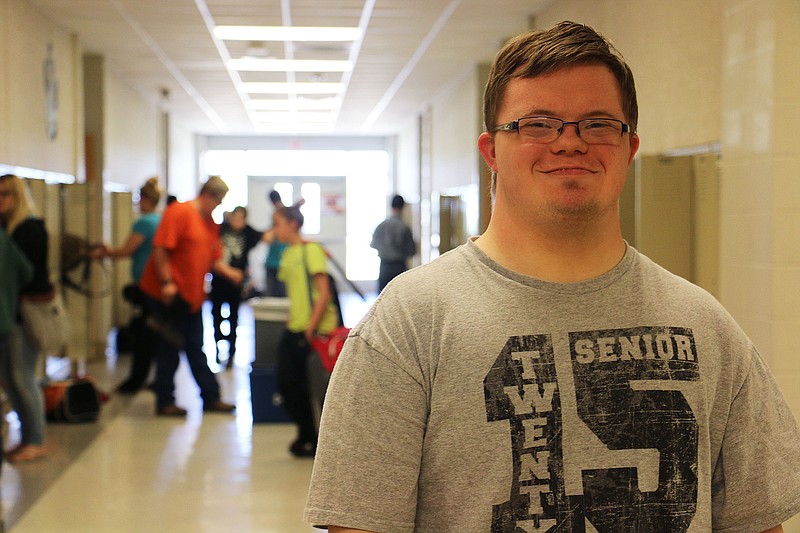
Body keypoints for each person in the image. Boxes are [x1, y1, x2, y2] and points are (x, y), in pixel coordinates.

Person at [304, 22, 800, 532]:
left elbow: (756, 521)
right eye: (537, 124)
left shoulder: (705, 324)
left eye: (599, 124)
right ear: (492, 151)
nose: (569, 143)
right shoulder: (408, 324)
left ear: (629, 148)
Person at [138, 176, 242, 416]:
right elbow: (161, 248)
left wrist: (230, 273)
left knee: (195, 346)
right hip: (170, 295)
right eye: (217, 202)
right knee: (170, 347)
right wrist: (167, 282)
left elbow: (213, 256)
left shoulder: (210, 222)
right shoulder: (179, 213)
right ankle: (166, 401)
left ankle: (210, 397)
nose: (217, 208)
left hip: (191, 298)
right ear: (207, 195)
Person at [272, 205, 338, 457]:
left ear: (292, 224)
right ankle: (307, 434)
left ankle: (315, 439)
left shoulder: (311, 251)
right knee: (288, 384)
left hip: (313, 330)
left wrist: (310, 329)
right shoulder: (289, 253)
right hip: (295, 327)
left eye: (277, 223)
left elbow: (323, 293)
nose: (274, 228)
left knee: (314, 388)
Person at [0, 174, 53, 462]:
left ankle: (36, 438)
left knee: (23, 377)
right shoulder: (8, 229)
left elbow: (28, 275)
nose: (1, 200)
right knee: (11, 377)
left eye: (6, 194)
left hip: (26, 314)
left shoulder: (28, 229)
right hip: (12, 314)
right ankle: (28, 436)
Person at [91, 177, 162, 392]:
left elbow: (126, 251)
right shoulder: (159, 220)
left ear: (146, 200)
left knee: (143, 334)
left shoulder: (144, 222)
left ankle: (135, 381)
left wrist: (103, 253)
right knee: (153, 333)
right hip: (155, 285)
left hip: (145, 285)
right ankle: (157, 379)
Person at [210, 206, 263, 368]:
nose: (238, 222)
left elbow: (268, 234)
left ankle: (231, 353)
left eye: (242, 219)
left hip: (236, 284)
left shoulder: (249, 233)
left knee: (234, 317)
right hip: (219, 281)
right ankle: (218, 349)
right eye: (236, 218)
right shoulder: (220, 229)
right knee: (216, 317)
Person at [0, 226, 34, 466]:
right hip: (4, 322)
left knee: (22, 379)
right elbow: (26, 272)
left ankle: (35, 438)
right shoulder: (4, 237)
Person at [370, 194, 416, 292]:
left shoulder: (381, 226)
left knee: (382, 299)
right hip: (399, 268)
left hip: (384, 267)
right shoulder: (405, 228)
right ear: (403, 207)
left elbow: (373, 244)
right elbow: (412, 251)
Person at [264, 190, 289, 297]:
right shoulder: (280, 211)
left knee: (280, 295)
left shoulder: (281, 212)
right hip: (273, 261)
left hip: (280, 262)